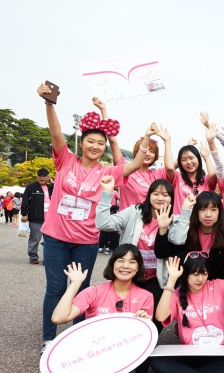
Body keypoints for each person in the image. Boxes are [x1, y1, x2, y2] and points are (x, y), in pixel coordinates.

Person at [37, 83, 148, 353]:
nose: (95, 146)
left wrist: (144, 138)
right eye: (91, 141)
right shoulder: (66, 160)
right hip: (55, 237)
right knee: (55, 287)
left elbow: (133, 164)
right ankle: (50, 339)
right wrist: (49, 104)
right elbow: (54, 132)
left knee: (83, 289)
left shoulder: (108, 172)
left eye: (100, 143)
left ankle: (76, 335)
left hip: (87, 241)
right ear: (82, 141)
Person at [51, 245, 153, 373]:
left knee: (128, 342)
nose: (126, 266)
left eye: (132, 261)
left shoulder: (145, 296)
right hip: (94, 363)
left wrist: (144, 323)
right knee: (86, 343)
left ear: (138, 268)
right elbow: (58, 318)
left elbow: (143, 339)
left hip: (127, 365)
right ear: (112, 264)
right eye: (121, 260)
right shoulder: (95, 291)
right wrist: (74, 284)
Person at [95, 176, 192, 332]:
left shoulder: (174, 219)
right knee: (124, 310)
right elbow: (103, 223)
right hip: (129, 273)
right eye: (156, 193)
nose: (160, 198)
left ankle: (147, 342)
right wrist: (107, 194)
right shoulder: (134, 212)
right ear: (149, 195)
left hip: (156, 277)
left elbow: (180, 240)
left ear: (172, 198)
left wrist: (186, 211)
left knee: (155, 313)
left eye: (166, 195)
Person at [21, 168, 53, 265]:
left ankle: (47, 258)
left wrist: (53, 183)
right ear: (37, 176)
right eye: (40, 176)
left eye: (44, 176)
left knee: (50, 240)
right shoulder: (31, 187)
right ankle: (33, 257)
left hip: (50, 219)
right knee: (35, 239)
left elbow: (61, 192)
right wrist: (24, 214)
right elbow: (25, 201)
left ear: (48, 177)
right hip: (36, 218)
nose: (42, 178)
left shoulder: (52, 187)